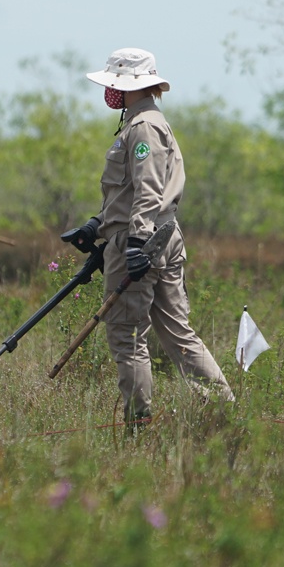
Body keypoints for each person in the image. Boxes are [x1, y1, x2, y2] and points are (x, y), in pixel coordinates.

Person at [63, 48, 235, 422]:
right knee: (176, 331)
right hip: (155, 235)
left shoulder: (143, 127)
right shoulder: (142, 122)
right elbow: (129, 191)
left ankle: (138, 422)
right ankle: (222, 410)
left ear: (127, 86)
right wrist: (97, 224)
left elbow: (148, 188)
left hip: (141, 242)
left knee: (127, 336)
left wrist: (136, 242)